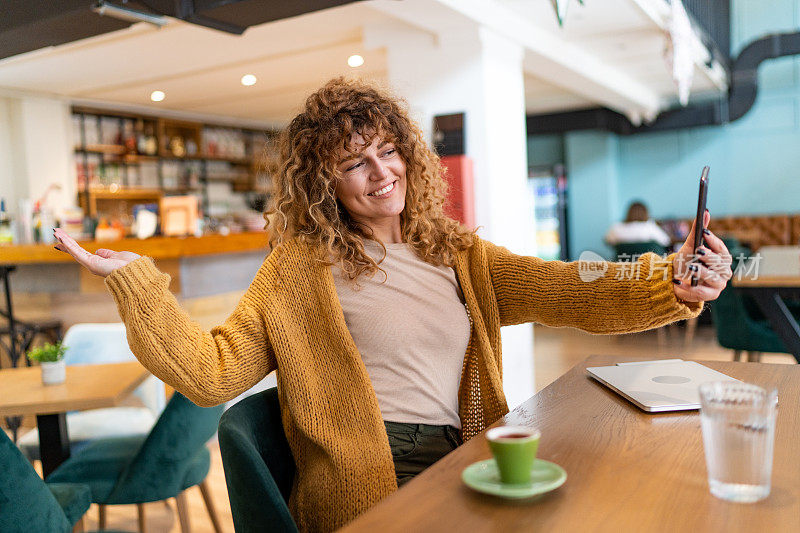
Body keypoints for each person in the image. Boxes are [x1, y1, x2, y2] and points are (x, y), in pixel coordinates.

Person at [53, 78, 732, 532]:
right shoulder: (298, 270)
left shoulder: (457, 249)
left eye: (388, 151)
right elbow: (213, 370)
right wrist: (137, 281)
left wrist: (670, 279)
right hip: (374, 485)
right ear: (324, 182)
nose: (383, 173)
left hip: (474, 457)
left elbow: (562, 288)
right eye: (356, 163)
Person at [604, 201, 672, 247]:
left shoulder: (616, 228)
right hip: (647, 266)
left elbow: (608, 241)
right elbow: (666, 241)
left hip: (622, 265)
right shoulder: (649, 227)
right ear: (646, 213)